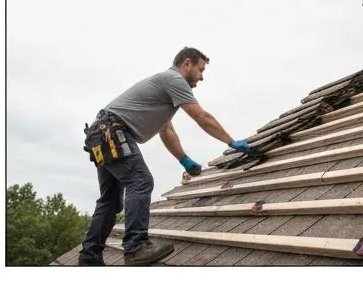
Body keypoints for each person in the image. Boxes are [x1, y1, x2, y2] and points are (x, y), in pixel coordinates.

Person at [77, 47, 252, 266]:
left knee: (110, 201)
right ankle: (136, 247)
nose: (202, 77)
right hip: (113, 132)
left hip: (100, 135)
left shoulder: (164, 90)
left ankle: (89, 258)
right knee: (140, 181)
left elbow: (166, 130)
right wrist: (230, 141)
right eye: (201, 69)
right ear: (186, 63)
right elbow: (201, 116)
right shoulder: (174, 80)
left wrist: (184, 159)